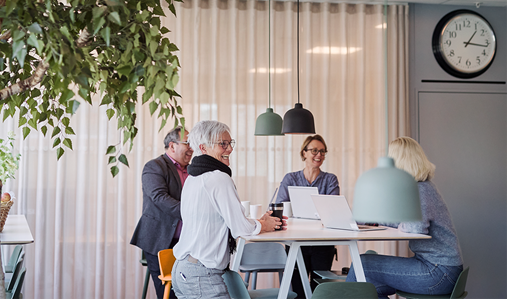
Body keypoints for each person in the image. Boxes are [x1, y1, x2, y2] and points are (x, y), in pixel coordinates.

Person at [171, 120, 285, 299]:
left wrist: (260, 222)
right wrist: (264, 225)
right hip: (202, 275)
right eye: (222, 144)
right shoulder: (219, 178)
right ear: (204, 147)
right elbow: (241, 228)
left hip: (182, 270)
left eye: (230, 143)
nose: (230, 149)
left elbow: (218, 220)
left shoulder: (193, 178)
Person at [346, 136, 463, 299]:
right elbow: (402, 220)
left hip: (438, 272)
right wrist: (370, 218)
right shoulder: (421, 187)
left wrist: (400, 224)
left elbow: (415, 228)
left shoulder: (420, 190)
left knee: (364, 264)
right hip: (437, 268)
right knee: (369, 284)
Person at [130, 126, 193, 299]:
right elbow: (159, 197)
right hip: (160, 240)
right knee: (169, 294)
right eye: (188, 143)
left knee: (191, 291)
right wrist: (193, 213)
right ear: (172, 146)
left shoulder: (193, 170)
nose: (192, 148)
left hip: (187, 243)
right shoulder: (154, 166)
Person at [275, 134, 339, 298]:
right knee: (298, 289)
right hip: (296, 240)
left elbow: (332, 211)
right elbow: (281, 207)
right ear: (304, 153)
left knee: (320, 288)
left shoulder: (330, 180)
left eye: (323, 152)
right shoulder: (290, 178)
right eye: (315, 150)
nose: (319, 155)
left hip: (323, 243)